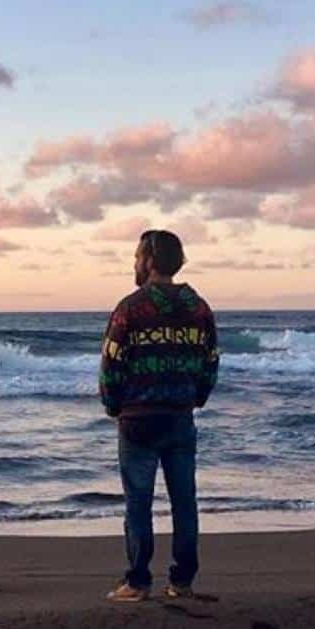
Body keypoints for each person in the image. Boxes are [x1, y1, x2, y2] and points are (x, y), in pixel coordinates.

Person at [99, 229, 219, 602]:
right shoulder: (199, 308)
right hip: (180, 417)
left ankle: (137, 582)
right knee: (184, 502)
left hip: (138, 420)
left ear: (150, 261)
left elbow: (111, 363)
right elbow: (211, 361)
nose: (134, 263)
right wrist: (197, 398)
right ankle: (182, 581)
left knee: (138, 503)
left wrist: (112, 404)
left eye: (138, 256)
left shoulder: (130, 308)